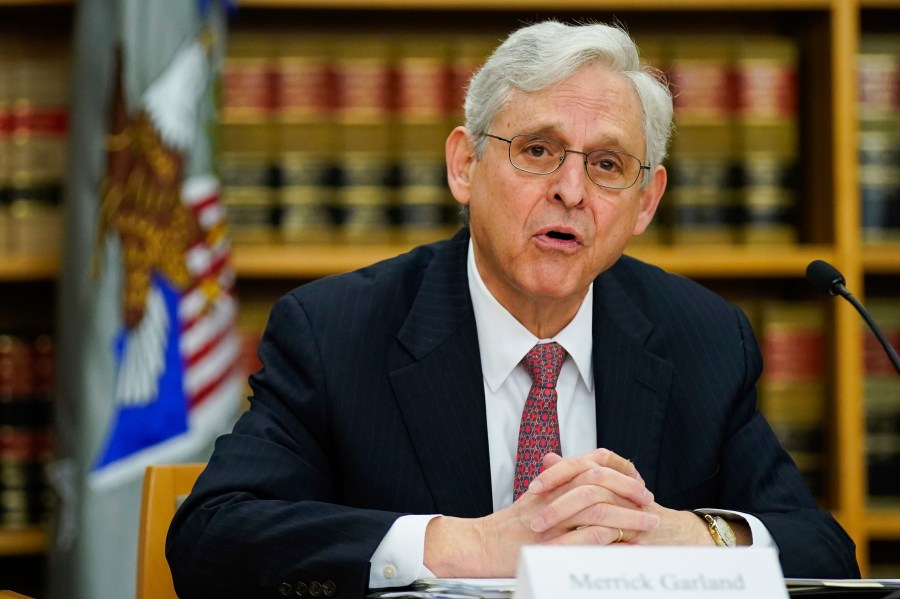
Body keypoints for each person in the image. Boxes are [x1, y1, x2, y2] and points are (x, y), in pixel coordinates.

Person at [166, 20, 859, 599]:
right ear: (464, 166)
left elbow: (825, 552)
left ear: (645, 203)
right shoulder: (337, 332)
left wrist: (685, 534)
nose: (570, 190)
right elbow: (213, 537)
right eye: (537, 150)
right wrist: (469, 544)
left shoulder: (701, 338)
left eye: (608, 165)